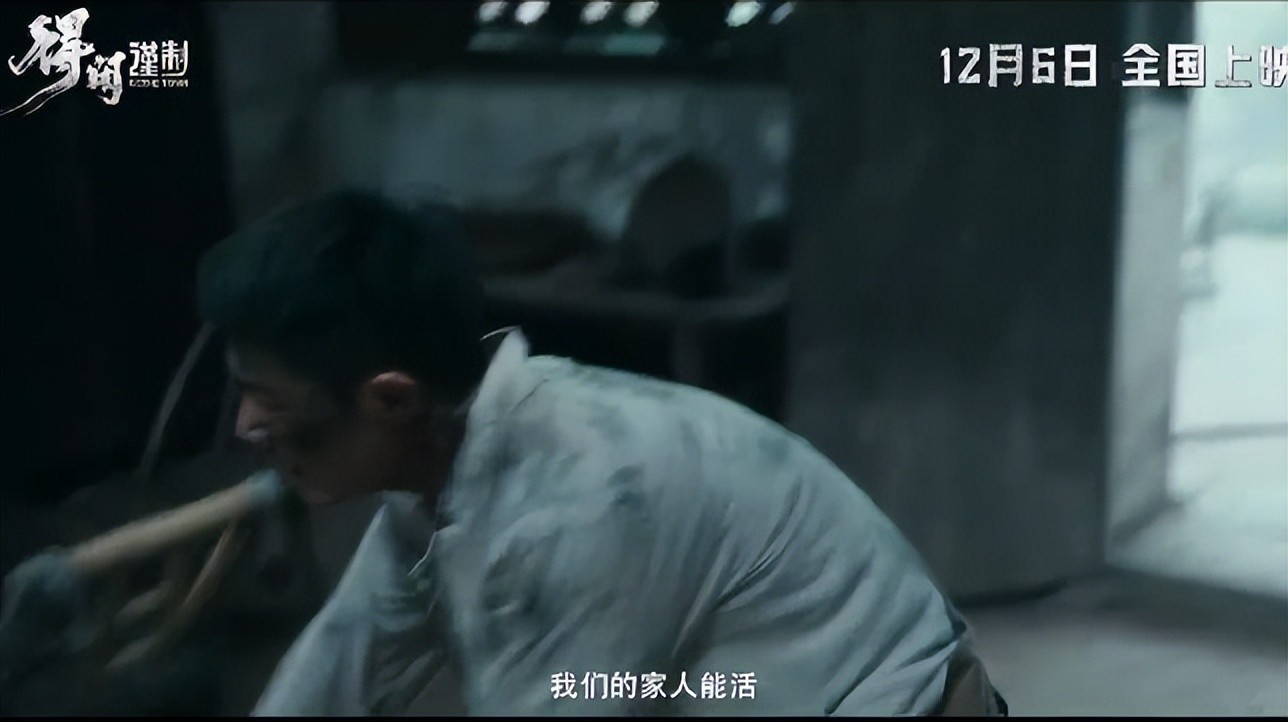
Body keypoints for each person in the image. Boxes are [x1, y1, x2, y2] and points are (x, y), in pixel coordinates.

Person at [195, 189, 1007, 716]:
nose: (248, 426)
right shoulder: (444, 470)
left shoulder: (576, 508)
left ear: (392, 399)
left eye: (269, 397)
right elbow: (342, 661)